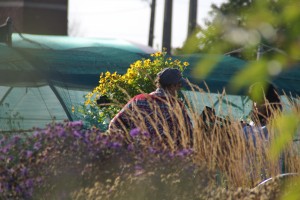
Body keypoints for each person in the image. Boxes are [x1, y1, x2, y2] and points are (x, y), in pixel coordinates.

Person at [108, 68, 193, 147]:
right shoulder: (176, 106)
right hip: (166, 159)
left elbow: (114, 125)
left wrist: (125, 146)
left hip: (138, 158)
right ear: (172, 86)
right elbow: (189, 135)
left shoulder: (138, 100)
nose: (179, 89)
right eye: (179, 85)